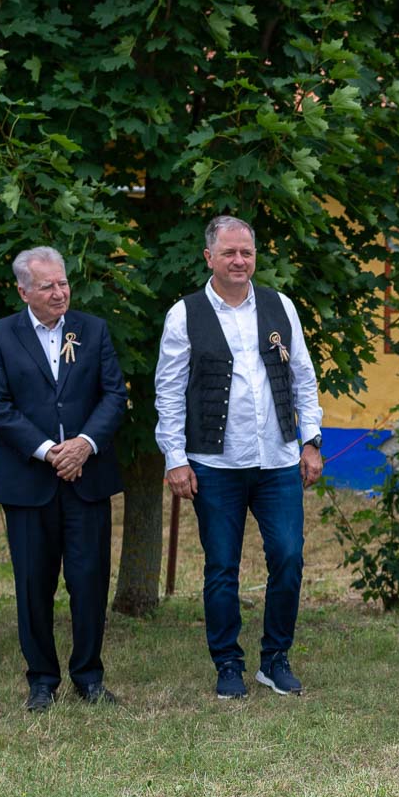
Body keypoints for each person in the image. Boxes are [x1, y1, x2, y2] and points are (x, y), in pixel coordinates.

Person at [155, 216, 325, 700]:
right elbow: (169, 392)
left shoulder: (280, 306)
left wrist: (311, 441)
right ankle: (228, 663)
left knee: (288, 557)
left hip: (278, 460)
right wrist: (175, 458)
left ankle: (275, 659)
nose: (239, 261)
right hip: (215, 464)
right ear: (209, 257)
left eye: (246, 253)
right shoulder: (184, 314)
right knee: (222, 568)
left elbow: (303, 377)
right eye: (229, 253)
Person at [0, 246, 127, 712]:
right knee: (33, 583)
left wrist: (84, 443)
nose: (59, 292)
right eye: (47, 286)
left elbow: (113, 395)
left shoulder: (93, 329)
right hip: (29, 481)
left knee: (89, 580)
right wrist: (49, 451)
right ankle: (42, 679)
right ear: (23, 291)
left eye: (63, 283)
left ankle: (89, 676)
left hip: (88, 477)